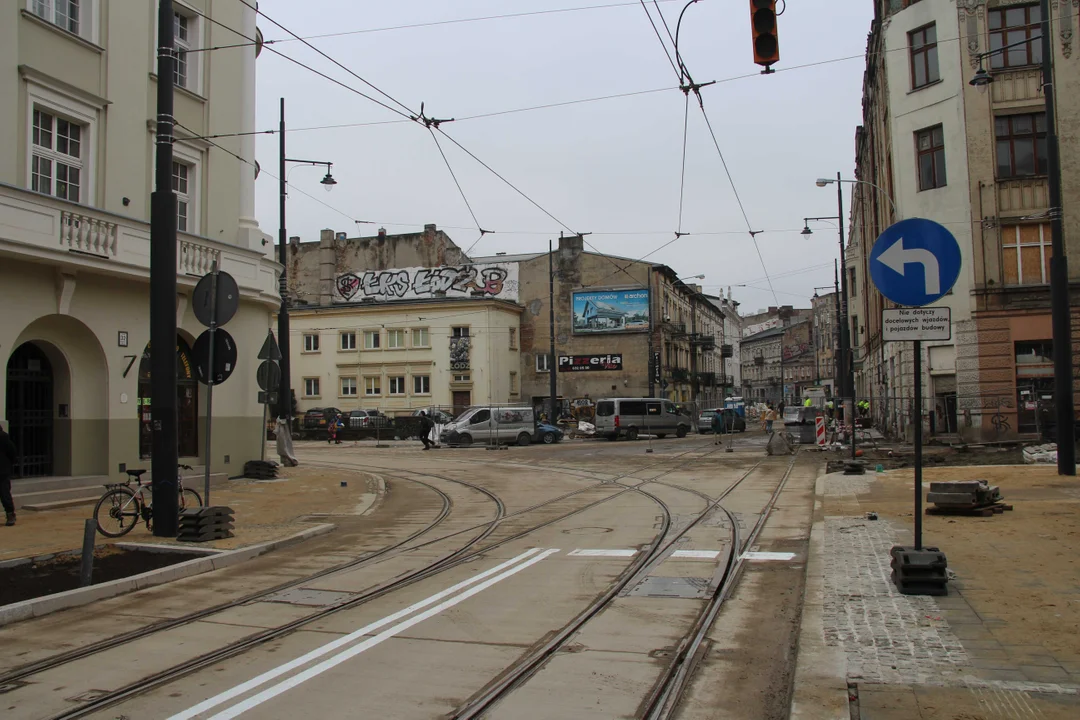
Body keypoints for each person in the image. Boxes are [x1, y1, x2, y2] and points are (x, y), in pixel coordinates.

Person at [1, 420, 17, 526]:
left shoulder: (3, 438)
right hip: (4, 470)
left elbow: (12, 453)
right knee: (5, 494)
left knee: (4, 494)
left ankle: (10, 514)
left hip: (2, 472)